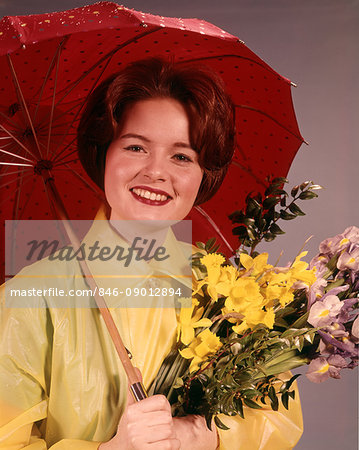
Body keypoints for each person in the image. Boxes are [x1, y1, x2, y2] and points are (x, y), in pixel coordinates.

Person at [0, 58, 303, 449]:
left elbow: (277, 419)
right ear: (103, 153)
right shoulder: (29, 298)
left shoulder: (229, 290)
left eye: (182, 156)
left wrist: (200, 436)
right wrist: (114, 449)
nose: (156, 172)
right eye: (136, 146)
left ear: (203, 174)